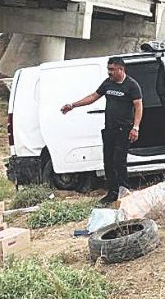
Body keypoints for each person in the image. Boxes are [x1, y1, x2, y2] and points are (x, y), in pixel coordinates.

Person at [61, 57, 143, 203]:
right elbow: (93, 96)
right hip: (109, 129)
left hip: (124, 129)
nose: (109, 72)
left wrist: (135, 128)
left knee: (119, 161)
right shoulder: (108, 83)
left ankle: (124, 191)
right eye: (108, 69)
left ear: (121, 69)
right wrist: (73, 105)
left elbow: (138, 106)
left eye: (112, 69)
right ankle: (112, 193)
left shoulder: (132, 85)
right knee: (108, 162)